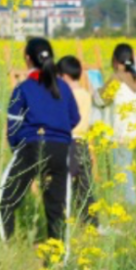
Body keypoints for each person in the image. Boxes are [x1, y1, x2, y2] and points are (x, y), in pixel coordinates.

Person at [0, 38, 80, 243]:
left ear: (27, 58)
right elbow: (74, 118)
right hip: (61, 149)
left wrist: (18, 149)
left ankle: (6, 249)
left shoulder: (23, 88)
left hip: (32, 147)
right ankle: (60, 258)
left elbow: (13, 125)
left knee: (4, 200)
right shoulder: (63, 87)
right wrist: (58, 133)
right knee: (58, 207)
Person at [100, 43, 136, 205]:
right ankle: (129, 202)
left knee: (123, 171)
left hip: (121, 133)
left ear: (115, 60)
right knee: (127, 169)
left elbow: (101, 99)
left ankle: (130, 205)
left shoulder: (116, 78)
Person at [56, 56, 97, 221]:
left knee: (65, 182)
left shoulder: (68, 95)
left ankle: (62, 217)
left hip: (70, 142)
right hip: (83, 141)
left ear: (64, 76)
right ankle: (91, 220)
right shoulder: (86, 94)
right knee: (85, 184)